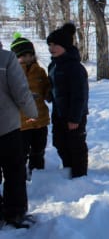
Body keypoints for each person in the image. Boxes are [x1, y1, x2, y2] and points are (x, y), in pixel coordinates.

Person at [0, 38, 38, 228]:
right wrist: (32, 113)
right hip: (6, 127)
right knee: (14, 170)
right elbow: (21, 92)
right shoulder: (6, 59)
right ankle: (15, 213)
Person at [46, 23, 89, 179]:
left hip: (74, 115)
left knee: (75, 145)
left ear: (65, 45)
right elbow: (53, 86)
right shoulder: (53, 65)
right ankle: (68, 168)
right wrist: (49, 94)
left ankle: (79, 175)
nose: (52, 48)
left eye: (55, 44)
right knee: (59, 142)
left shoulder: (75, 67)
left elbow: (80, 95)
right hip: (59, 113)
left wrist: (74, 118)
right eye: (49, 44)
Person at [10, 33, 51, 180]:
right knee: (21, 152)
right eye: (23, 56)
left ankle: (38, 173)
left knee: (39, 149)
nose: (27, 59)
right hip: (21, 123)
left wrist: (49, 92)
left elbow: (46, 87)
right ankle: (19, 175)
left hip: (40, 119)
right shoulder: (12, 72)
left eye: (30, 55)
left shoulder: (39, 71)